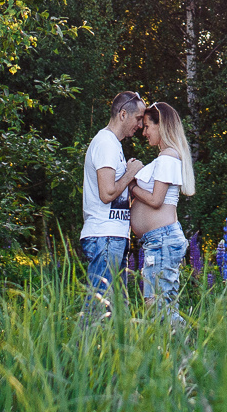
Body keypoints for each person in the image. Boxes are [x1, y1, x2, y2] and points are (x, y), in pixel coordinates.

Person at [128, 100, 195, 326]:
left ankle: (186, 345)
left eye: (148, 126)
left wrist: (131, 185)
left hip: (162, 240)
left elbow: (156, 200)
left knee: (158, 304)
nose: (144, 132)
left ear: (162, 125)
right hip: (157, 240)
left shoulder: (167, 157)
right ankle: (177, 350)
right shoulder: (165, 157)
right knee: (156, 303)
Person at [80, 91, 145, 316]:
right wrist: (130, 173)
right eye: (138, 119)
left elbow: (116, 195)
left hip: (113, 238)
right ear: (123, 114)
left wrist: (130, 178)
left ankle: (103, 351)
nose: (140, 125)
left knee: (117, 315)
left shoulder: (114, 145)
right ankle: (82, 349)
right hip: (104, 238)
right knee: (97, 311)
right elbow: (107, 193)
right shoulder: (106, 143)